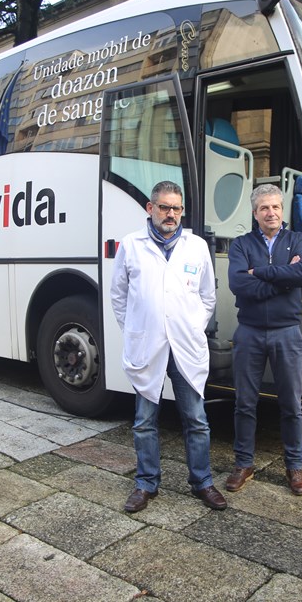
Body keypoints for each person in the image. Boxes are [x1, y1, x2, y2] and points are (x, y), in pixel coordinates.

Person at [110, 180, 227, 513]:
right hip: (148, 347)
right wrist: (135, 328)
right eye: (164, 207)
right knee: (145, 420)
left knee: (197, 419)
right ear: (150, 208)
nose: (171, 214)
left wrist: (191, 325)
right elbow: (119, 296)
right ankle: (146, 483)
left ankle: (202, 482)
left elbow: (208, 295)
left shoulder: (196, 246)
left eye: (176, 208)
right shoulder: (131, 245)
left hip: (186, 347)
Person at [224, 184, 302, 496]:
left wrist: (260, 272)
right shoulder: (240, 244)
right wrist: (280, 278)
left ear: (282, 209)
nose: (271, 212)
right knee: (244, 403)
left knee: (291, 404)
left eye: (275, 207)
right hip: (248, 332)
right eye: (264, 208)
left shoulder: (297, 239)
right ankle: (243, 463)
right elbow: (238, 283)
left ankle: (295, 466)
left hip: (287, 332)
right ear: (255, 213)